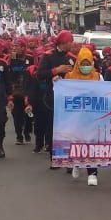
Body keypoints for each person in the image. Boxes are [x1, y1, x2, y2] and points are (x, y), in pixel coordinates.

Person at [35, 31, 77, 165]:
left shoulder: (72, 58)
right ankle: (55, 157)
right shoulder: (48, 56)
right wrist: (56, 71)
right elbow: (39, 74)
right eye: (71, 41)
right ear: (64, 42)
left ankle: (69, 158)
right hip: (52, 98)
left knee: (69, 129)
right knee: (53, 128)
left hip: (69, 99)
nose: (73, 43)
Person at [65, 47, 105, 186]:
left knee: (92, 143)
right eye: (83, 63)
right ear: (78, 63)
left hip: (93, 117)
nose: (86, 67)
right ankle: (76, 163)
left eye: (88, 64)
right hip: (75, 116)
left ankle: (92, 173)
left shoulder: (97, 77)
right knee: (77, 142)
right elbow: (64, 94)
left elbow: (106, 92)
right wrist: (57, 82)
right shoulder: (70, 77)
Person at [8, 42, 33, 145]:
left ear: (23, 47)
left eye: (16, 46)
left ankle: (27, 131)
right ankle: (19, 136)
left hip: (27, 90)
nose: (14, 48)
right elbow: (7, 75)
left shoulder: (30, 59)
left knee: (28, 114)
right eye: (13, 46)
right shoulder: (9, 59)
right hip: (15, 91)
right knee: (16, 114)